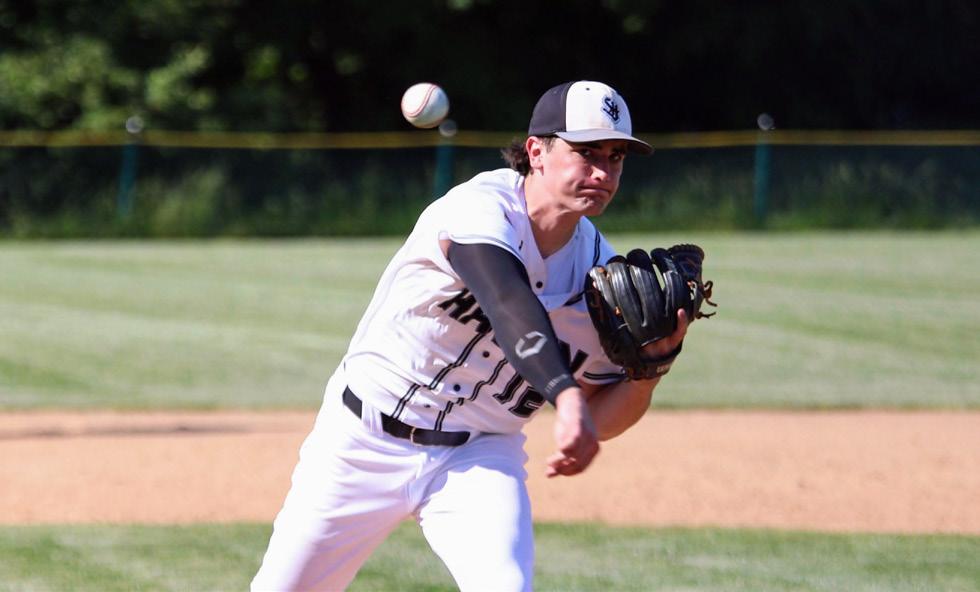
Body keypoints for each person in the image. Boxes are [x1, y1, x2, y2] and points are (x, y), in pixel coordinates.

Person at [251, 80, 688, 591]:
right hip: (363, 440)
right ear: (536, 152)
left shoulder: (601, 281)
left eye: (615, 157)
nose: (602, 172)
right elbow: (507, 299)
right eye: (586, 152)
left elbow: (598, 419)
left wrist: (648, 374)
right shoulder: (480, 208)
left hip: (479, 455)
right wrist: (564, 394)